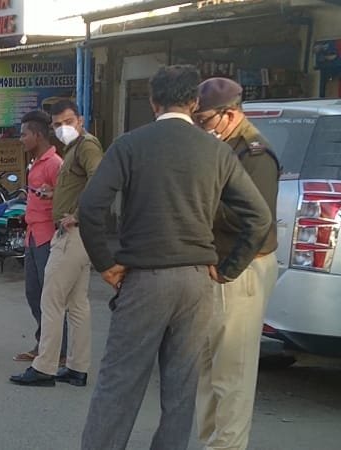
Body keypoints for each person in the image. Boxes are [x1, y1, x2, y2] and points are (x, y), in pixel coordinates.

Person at [77, 65, 272, 450]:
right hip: (197, 281)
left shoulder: (130, 145)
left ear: (154, 102)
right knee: (181, 391)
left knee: (120, 383)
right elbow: (260, 217)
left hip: (145, 280)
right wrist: (228, 269)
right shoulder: (217, 150)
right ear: (194, 102)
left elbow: (90, 207)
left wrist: (105, 263)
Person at [193, 77, 280, 450]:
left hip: (240, 268)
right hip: (217, 266)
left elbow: (254, 221)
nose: (201, 127)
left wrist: (229, 271)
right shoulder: (222, 147)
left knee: (232, 373)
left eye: (205, 120)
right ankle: (210, 442)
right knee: (207, 370)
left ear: (229, 114)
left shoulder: (254, 154)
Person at [10, 100, 102, 387]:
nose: (63, 128)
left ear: (80, 120)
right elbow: (79, 185)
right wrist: (55, 195)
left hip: (70, 234)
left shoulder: (86, 146)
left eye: (68, 122)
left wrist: (77, 214)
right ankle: (77, 367)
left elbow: (100, 179)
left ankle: (45, 367)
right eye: (58, 124)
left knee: (50, 300)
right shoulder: (74, 149)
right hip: (75, 234)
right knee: (76, 305)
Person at [12, 110, 67, 364]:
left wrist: (52, 195)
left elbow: (67, 199)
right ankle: (44, 342)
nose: (21, 139)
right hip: (33, 235)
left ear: (37, 135)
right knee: (34, 293)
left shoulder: (55, 164)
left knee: (50, 296)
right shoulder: (36, 162)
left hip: (47, 236)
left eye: (24, 135)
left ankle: (59, 350)